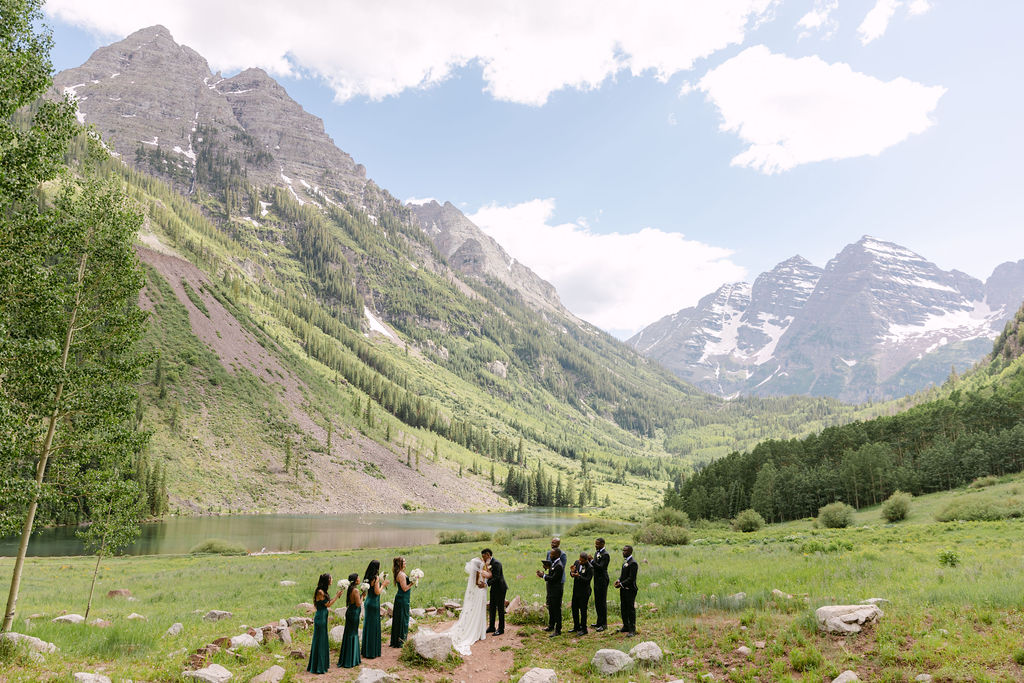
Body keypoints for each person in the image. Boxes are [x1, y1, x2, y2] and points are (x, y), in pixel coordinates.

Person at [447, 554, 491, 655]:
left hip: (481, 590)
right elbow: (477, 581)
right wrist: (482, 583)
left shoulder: (480, 569)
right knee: (478, 610)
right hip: (480, 591)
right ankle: (478, 633)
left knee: (479, 610)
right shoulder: (477, 573)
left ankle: (480, 632)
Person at [307, 573, 343, 674]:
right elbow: (328, 604)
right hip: (320, 618)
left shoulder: (323, 591)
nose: (332, 580)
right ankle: (318, 666)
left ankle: (322, 663)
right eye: (330, 578)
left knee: (322, 640)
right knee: (320, 640)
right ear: (326, 580)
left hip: (323, 617)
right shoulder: (320, 592)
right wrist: (337, 596)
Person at [361, 560, 389, 659]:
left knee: (368, 626)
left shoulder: (366, 577)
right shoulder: (375, 578)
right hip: (374, 603)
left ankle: (366, 650)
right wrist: (383, 585)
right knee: (374, 626)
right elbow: (377, 592)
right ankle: (372, 651)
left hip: (368, 602)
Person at [338, 572, 362, 668]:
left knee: (348, 633)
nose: (360, 579)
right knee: (353, 634)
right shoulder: (355, 590)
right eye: (358, 578)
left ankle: (347, 658)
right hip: (354, 613)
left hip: (350, 612)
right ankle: (352, 659)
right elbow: (358, 604)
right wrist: (363, 595)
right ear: (356, 580)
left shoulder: (350, 589)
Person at [614, 545, 639, 636]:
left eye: (625, 551)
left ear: (630, 552)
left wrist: (621, 584)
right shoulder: (625, 562)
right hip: (624, 589)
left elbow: (631, 578)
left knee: (630, 609)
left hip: (630, 589)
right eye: (623, 550)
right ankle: (626, 626)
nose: (623, 552)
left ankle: (632, 629)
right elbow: (623, 575)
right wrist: (619, 580)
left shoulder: (633, 563)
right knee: (623, 608)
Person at [482, 548, 507, 636]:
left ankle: (501, 629)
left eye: (484, 557)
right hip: (494, 588)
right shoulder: (488, 564)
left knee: (500, 609)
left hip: (500, 588)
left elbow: (496, 577)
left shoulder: (497, 563)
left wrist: (486, 583)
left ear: (488, 555)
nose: (483, 559)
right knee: (492, 607)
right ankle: (492, 626)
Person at [389, 556, 413, 648]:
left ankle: (397, 640)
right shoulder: (401, 575)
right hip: (402, 598)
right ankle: (401, 641)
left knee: (400, 618)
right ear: (400, 564)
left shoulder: (400, 573)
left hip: (402, 598)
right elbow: (405, 588)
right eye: (404, 561)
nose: (405, 563)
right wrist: (412, 583)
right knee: (403, 619)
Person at [537, 556, 564, 637]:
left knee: (556, 610)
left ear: (556, 555)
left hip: (556, 591)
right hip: (551, 591)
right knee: (551, 608)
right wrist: (546, 570)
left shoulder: (558, 565)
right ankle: (551, 626)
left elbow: (553, 578)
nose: (550, 556)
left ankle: (558, 630)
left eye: (552, 554)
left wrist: (544, 576)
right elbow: (552, 573)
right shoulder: (554, 563)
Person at [569, 552, 593, 635]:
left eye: (582, 561)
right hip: (576, 590)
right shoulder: (577, 562)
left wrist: (579, 576)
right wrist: (572, 572)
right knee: (574, 608)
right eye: (580, 560)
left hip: (584, 592)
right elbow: (573, 573)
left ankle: (584, 629)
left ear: (586, 560)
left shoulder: (590, 567)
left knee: (583, 610)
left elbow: (587, 580)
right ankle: (576, 627)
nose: (580, 562)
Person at [591, 537, 610, 632]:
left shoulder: (605, 555)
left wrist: (592, 561)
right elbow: (594, 567)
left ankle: (604, 624)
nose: (596, 545)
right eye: (595, 543)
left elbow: (601, 567)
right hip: (596, 580)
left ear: (603, 544)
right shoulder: (597, 553)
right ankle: (599, 622)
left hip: (603, 579)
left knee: (602, 602)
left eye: (597, 544)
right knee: (597, 601)